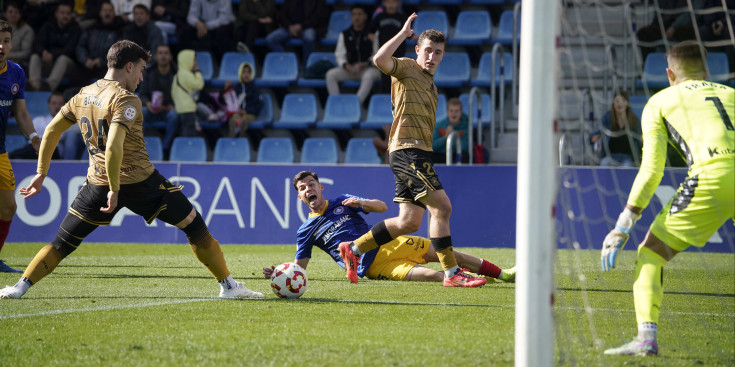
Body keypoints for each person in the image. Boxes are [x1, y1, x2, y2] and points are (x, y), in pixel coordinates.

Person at [0, 40, 263, 299]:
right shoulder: (127, 99)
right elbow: (114, 145)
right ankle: (229, 286)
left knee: (61, 243)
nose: (141, 78)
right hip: (141, 183)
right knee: (194, 225)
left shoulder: (83, 95)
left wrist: (41, 173)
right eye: (141, 70)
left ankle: (19, 287)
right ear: (128, 66)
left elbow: (51, 131)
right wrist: (116, 188)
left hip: (97, 185)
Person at [600, 41, 734, 356]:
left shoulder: (660, 101)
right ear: (707, 70)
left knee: (651, 254)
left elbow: (651, 171)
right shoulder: (730, 94)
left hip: (711, 176)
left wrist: (623, 225)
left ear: (670, 73)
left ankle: (646, 339)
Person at [338, 14, 486, 288]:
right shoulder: (406, 67)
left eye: (438, 52)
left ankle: (354, 249)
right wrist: (402, 35)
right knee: (442, 207)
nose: (432, 56)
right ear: (418, 50)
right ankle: (452, 273)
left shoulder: (432, 85)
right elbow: (380, 60)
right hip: (408, 152)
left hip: (417, 153)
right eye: (427, 50)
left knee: (408, 222)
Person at [263, 171, 516, 284]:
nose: (308, 189)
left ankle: (503, 274)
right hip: (373, 266)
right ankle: (468, 279)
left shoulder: (342, 201)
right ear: (299, 197)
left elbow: (383, 207)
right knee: (432, 276)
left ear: (321, 187)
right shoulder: (306, 230)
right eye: (303, 188)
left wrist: (362, 203)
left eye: (311, 184)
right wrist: (282, 273)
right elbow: (301, 265)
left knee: (452, 256)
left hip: (391, 242)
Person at [0, 20, 41, 273]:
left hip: (0, 151)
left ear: (12, 44)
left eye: (5, 40)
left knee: (8, 207)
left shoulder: (16, 73)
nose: (0, 45)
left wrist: (35, 137)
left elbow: (22, 114)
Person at [326, 4, 381, 105]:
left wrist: (364, 64)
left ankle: (355, 104)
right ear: (351, 16)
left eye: (360, 14)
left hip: (368, 68)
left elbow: (378, 54)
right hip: (350, 69)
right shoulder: (345, 34)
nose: (356, 17)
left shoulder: (372, 34)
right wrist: (346, 65)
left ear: (365, 16)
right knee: (330, 74)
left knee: (369, 76)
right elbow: (340, 54)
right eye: (354, 14)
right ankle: (336, 104)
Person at [9, 92, 83, 160]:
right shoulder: (38, 120)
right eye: (54, 103)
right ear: (49, 104)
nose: (57, 106)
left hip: (53, 151)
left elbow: (79, 129)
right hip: (33, 149)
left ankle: (10, 155)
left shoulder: (68, 122)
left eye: (60, 103)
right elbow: (27, 133)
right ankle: (12, 157)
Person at [28, 3, 81, 91]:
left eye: (68, 13)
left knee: (63, 58)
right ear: (56, 14)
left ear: (71, 15)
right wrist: (43, 52)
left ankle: (48, 87)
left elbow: (70, 50)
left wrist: (52, 54)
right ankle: (34, 87)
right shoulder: (48, 26)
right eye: (62, 13)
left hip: (68, 67)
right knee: (35, 57)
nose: (65, 16)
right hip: (49, 62)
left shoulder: (76, 29)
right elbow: (36, 44)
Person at [368, 0, 417, 93]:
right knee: (385, 79)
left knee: (397, 78)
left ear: (397, 3)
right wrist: (374, 39)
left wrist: (418, 37)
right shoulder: (379, 17)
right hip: (384, 53)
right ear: (384, 3)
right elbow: (370, 32)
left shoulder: (402, 17)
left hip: (399, 53)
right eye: (388, 2)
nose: (390, 4)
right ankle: (386, 99)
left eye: (393, 2)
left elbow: (410, 34)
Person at [139, 44, 178, 153]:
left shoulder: (176, 73)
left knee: (174, 115)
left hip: (168, 110)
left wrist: (173, 105)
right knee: (140, 112)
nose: (163, 56)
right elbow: (142, 94)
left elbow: (181, 95)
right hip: (152, 109)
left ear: (170, 56)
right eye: (160, 53)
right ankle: (139, 147)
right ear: (155, 57)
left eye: (166, 53)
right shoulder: (148, 72)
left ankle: (166, 148)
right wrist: (148, 103)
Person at [76, 3, 125, 85]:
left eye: (110, 11)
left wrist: (102, 60)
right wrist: (85, 59)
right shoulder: (92, 28)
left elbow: (120, 51)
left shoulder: (120, 30)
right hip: (88, 64)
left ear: (114, 14)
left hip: (108, 66)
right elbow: (80, 46)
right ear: (100, 13)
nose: (107, 13)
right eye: (105, 10)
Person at [589, 91, 642, 167]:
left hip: (628, 158)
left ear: (627, 103)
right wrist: (595, 136)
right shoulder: (607, 118)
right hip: (611, 157)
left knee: (626, 168)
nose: (620, 104)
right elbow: (593, 136)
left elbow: (640, 138)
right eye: (617, 101)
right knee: (604, 163)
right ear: (613, 103)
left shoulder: (634, 120)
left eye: (623, 101)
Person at [223, 62, 262, 138]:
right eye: (243, 72)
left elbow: (258, 104)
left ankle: (238, 142)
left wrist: (246, 110)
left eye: (248, 72)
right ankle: (233, 140)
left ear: (251, 74)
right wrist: (225, 89)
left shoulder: (255, 88)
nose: (246, 75)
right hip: (237, 113)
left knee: (242, 120)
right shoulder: (236, 88)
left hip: (250, 114)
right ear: (240, 73)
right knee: (234, 120)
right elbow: (226, 100)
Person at [171, 49, 204, 138]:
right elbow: (199, 85)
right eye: (194, 60)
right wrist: (198, 72)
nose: (195, 63)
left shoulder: (177, 75)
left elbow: (173, 92)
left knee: (183, 133)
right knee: (189, 135)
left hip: (180, 109)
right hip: (188, 109)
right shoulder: (187, 74)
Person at [432, 97, 469, 164]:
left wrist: (452, 136)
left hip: (456, 156)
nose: (454, 114)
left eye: (456, 111)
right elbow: (433, 146)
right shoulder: (439, 125)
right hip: (440, 155)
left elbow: (464, 147)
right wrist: (445, 137)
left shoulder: (465, 126)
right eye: (451, 111)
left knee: (465, 155)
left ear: (461, 112)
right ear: (447, 112)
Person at [4, 1, 34, 70]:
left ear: (20, 14)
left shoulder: (27, 30)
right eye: (10, 12)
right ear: (5, 14)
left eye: (16, 12)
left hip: (19, 63)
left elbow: (26, 53)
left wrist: (6, 55)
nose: (13, 14)